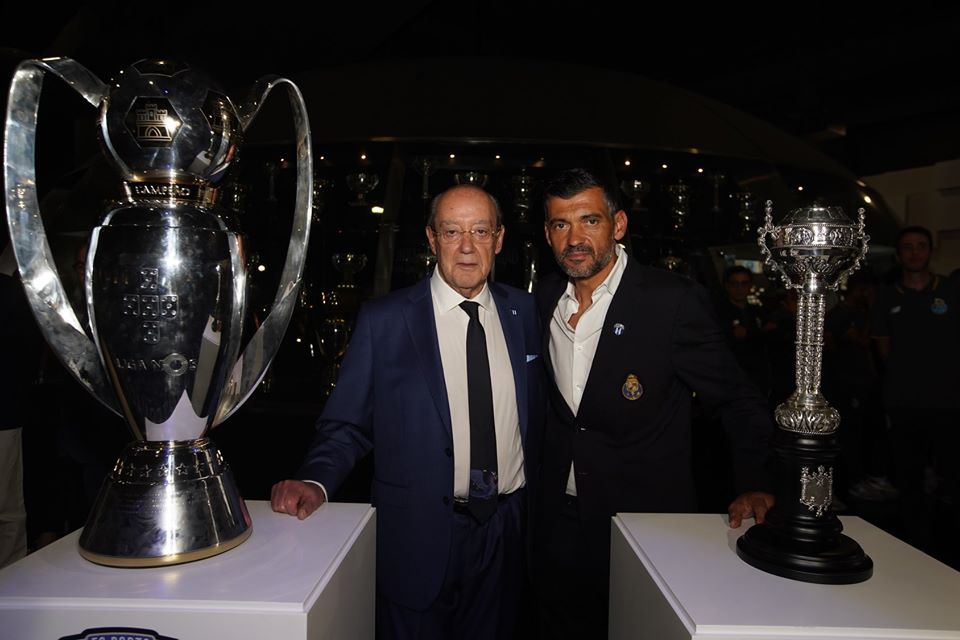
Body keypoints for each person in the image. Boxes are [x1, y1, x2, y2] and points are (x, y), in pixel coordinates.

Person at [271, 184, 543, 640]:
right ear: (432, 239)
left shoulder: (526, 312)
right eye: (452, 231)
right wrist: (315, 480)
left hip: (506, 533)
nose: (467, 246)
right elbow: (347, 424)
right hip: (417, 534)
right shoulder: (385, 320)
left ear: (499, 239)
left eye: (480, 231)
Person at [535, 168, 774, 638]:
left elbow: (738, 399)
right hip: (557, 519)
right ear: (547, 234)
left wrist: (756, 482)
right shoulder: (544, 298)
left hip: (642, 520)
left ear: (618, 225)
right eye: (561, 224)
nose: (575, 238)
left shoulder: (672, 301)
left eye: (589, 220)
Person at [871, 226, 960, 553]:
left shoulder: (951, 291)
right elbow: (883, 347)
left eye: (921, 246)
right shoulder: (887, 296)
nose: (915, 252)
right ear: (899, 254)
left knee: (954, 476)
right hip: (904, 402)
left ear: (930, 251)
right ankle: (915, 548)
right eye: (908, 247)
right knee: (909, 479)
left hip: (950, 403)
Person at [715, 265, 770, 397]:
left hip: (757, 377)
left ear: (750, 285)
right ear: (727, 286)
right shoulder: (719, 313)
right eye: (734, 284)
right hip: (731, 378)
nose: (739, 288)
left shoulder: (757, 311)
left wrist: (751, 334)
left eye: (744, 284)